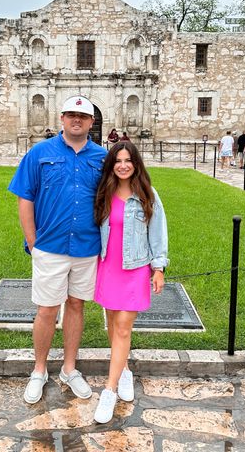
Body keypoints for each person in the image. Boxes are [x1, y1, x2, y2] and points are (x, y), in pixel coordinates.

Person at [8, 95, 107, 404]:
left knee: (77, 306)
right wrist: (32, 240)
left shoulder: (103, 157)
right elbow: (25, 197)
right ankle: (39, 370)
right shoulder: (40, 153)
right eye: (70, 114)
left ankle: (69, 368)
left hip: (86, 245)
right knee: (47, 309)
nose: (76, 119)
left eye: (83, 115)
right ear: (61, 118)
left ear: (92, 122)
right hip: (49, 246)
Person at [93, 141, 168, 423]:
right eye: (118, 160)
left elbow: (158, 232)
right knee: (112, 324)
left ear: (136, 164)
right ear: (111, 164)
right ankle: (123, 370)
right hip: (109, 266)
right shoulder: (105, 193)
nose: (123, 165)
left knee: (123, 328)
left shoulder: (147, 195)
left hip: (135, 267)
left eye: (128, 160)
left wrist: (158, 268)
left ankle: (109, 391)